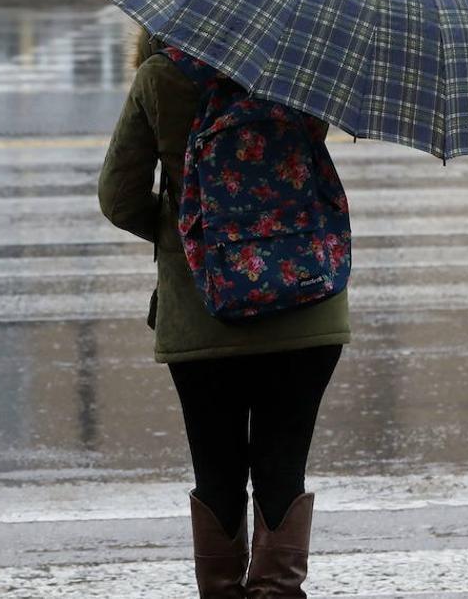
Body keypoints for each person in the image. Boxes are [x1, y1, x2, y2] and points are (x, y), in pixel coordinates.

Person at [98, 30, 350, 598]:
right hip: (307, 306)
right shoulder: (303, 61)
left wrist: (193, 236)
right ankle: (278, 590)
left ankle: (220, 590)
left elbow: (119, 198)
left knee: (217, 473)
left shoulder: (161, 77)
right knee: (283, 470)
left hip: (203, 316)